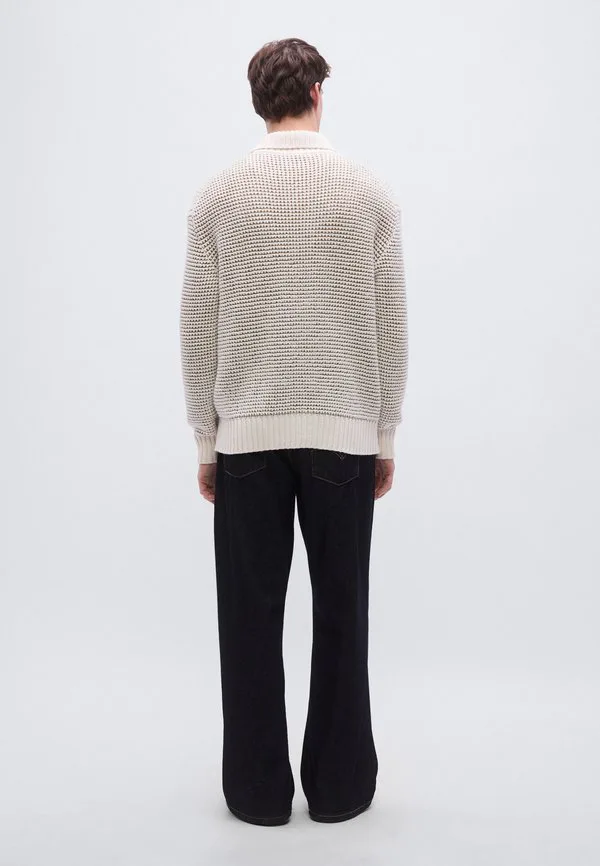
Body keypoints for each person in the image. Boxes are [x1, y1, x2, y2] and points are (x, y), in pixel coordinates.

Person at [179, 37, 408, 827]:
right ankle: (341, 789)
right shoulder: (368, 193)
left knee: (248, 621)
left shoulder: (218, 197)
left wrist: (205, 439)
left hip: (246, 436)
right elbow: (390, 325)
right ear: (316, 92)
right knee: (343, 613)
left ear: (260, 100)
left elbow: (198, 327)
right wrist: (384, 432)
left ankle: (255, 793)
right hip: (344, 432)